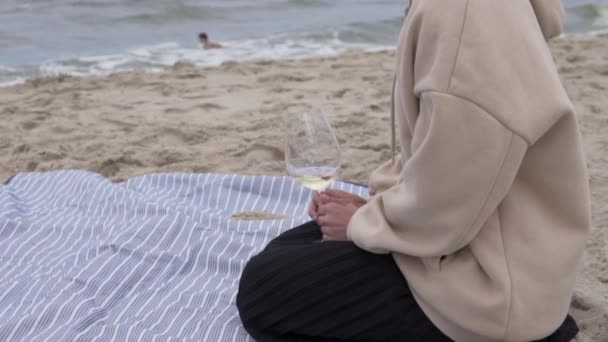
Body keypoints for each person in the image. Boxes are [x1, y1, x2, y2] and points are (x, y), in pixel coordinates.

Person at [236, 0, 591, 341]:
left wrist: (365, 224)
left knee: (262, 290)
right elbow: (444, 157)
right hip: (489, 244)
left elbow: (451, 193)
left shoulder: (463, 12)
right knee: (294, 246)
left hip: (491, 295)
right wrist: (372, 213)